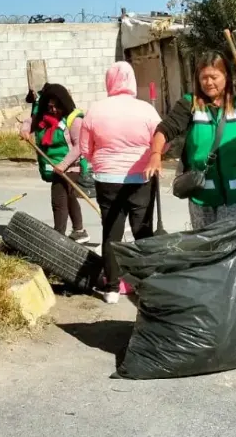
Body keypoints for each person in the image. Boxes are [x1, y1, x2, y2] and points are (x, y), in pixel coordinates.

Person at [144, 51, 236, 229]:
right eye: (204, 78)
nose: (209, 83)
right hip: (201, 194)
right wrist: (156, 154)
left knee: (229, 248)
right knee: (205, 248)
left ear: (226, 76)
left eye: (214, 77)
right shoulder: (190, 103)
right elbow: (164, 130)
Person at [80, 62, 161, 304]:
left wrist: (102, 161)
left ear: (109, 81)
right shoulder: (146, 110)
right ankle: (145, 284)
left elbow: (85, 149)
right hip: (142, 178)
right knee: (142, 232)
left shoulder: (95, 110)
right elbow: (162, 141)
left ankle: (112, 289)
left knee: (111, 234)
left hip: (107, 180)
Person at [22, 84, 91, 244]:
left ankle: (57, 237)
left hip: (71, 166)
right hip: (55, 167)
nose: (53, 110)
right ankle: (79, 231)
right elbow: (30, 121)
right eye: (50, 106)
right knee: (69, 196)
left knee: (58, 199)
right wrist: (25, 129)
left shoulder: (74, 120)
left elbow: (79, 146)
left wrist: (63, 165)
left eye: (56, 107)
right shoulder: (44, 118)